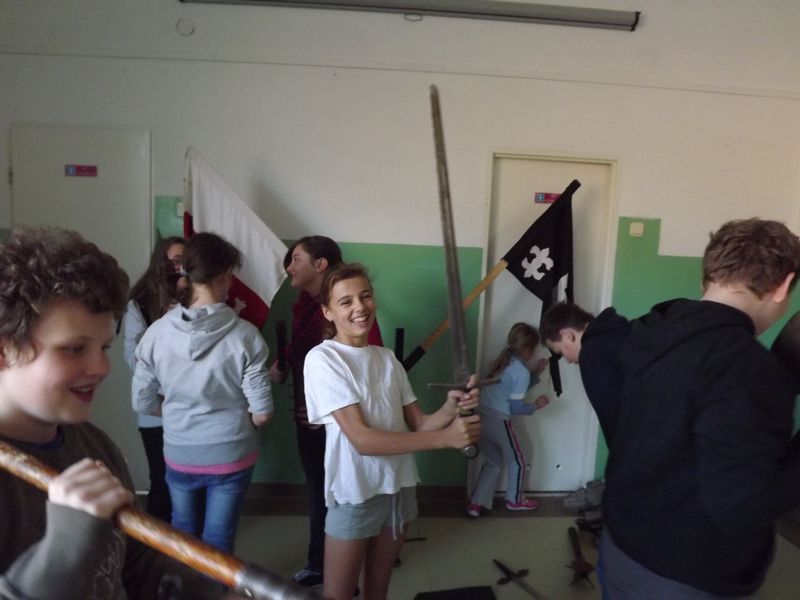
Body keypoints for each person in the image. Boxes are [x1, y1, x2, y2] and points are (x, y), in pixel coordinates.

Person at [0, 226, 235, 599]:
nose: (101, 367)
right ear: (4, 352)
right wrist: (63, 552)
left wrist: (204, 591)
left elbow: (135, 562)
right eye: (74, 349)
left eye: (105, 347)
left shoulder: (95, 448)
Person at [600, 218, 800, 599]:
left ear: (710, 274)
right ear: (783, 285)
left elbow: (688, 426)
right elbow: (742, 507)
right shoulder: (746, 367)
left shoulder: (653, 330)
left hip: (620, 547)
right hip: (681, 577)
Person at [303, 263, 481, 600]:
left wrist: (451, 407)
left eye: (365, 296)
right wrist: (446, 439)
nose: (360, 307)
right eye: (346, 302)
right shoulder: (324, 359)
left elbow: (420, 424)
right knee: (338, 594)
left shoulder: (387, 359)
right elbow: (362, 440)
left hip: (399, 488)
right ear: (327, 312)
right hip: (355, 491)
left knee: (379, 584)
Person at [132, 232, 273, 553]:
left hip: (180, 450)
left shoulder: (156, 333)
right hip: (231, 453)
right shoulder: (246, 336)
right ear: (223, 277)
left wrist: (173, 413)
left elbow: (142, 400)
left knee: (182, 530)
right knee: (219, 539)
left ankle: (182, 581)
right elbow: (263, 414)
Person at [269, 235, 382, 589]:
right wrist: (285, 360)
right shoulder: (305, 305)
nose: (289, 267)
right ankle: (326, 563)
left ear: (320, 265)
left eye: (296, 259)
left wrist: (328, 414)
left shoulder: (346, 313)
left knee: (335, 493)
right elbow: (307, 349)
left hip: (336, 422)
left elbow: (367, 369)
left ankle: (330, 567)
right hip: (309, 416)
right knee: (320, 490)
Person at [123, 235, 184, 522]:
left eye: (185, 261)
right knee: (161, 478)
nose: (180, 268)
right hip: (156, 407)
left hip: (190, 407)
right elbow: (132, 355)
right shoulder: (141, 303)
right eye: (175, 261)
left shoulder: (196, 297)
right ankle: (157, 540)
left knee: (187, 480)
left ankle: (189, 539)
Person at [466, 322, 549, 518]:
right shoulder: (521, 372)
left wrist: (536, 373)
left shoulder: (503, 362)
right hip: (499, 421)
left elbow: (511, 389)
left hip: (479, 418)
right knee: (518, 460)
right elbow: (515, 407)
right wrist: (536, 405)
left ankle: (475, 504)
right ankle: (515, 500)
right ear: (527, 349)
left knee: (493, 462)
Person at [539, 302, 631, 447]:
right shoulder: (619, 330)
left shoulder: (591, 355)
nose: (568, 361)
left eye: (560, 352)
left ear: (567, 335)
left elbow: (614, 421)